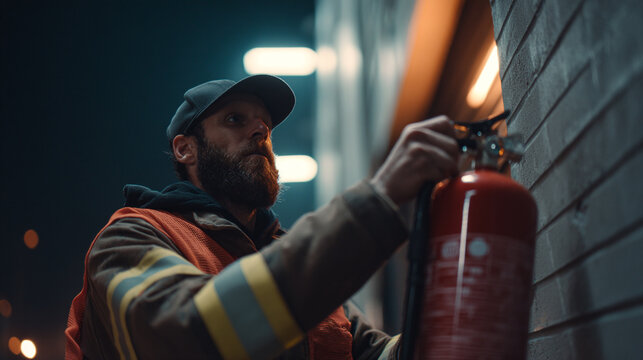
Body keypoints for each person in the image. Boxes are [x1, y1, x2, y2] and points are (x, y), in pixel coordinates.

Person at [65, 74, 459, 360]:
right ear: (185, 149)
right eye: (235, 120)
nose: (260, 131)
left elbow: (377, 354)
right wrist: (379, 199)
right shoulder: (129, 239)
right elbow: (192, 331)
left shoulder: (288, 258)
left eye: (265, 126)